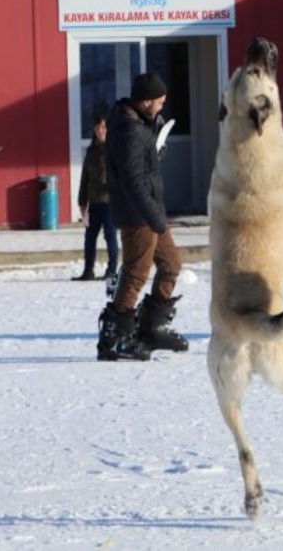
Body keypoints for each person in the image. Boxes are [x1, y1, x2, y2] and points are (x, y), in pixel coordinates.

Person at [96, 72, 189, 361]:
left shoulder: (138, 125)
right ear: (146, 102)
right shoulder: (129, 131)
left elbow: (140, 170)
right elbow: (133, 181)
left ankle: (151, 327)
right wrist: (153, 217)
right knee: (136, 274)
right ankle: (115, 337)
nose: (162, 106)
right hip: (138, 214)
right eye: (159, 102)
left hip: (150, 211)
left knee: (171, 264)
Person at [71, 116, 119, 281]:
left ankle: (112, 271)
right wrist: (82, 201)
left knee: (110, 236)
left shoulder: (114, 150)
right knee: (89, 238)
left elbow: (121, 176)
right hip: (94, 203)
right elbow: (85, 177)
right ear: (94, 130)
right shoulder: (91, 151)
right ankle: (88, 271)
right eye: (98, 128)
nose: (101, 131)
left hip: (109, 203)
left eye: (104, 128)